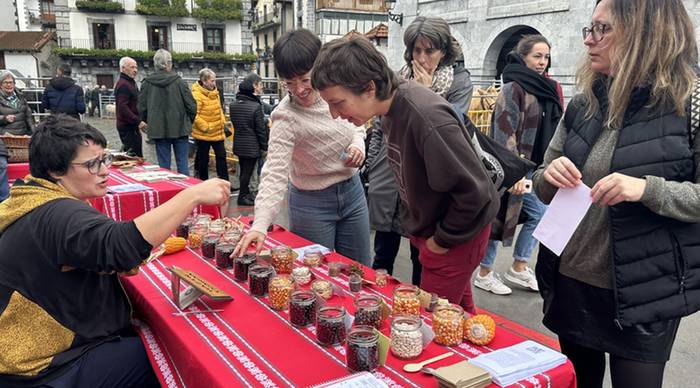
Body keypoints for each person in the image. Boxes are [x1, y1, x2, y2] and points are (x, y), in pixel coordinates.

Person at [533, 1, 700, 387]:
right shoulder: (584, 101)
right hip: (572, 281)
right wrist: (549, 175)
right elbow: (542, 180)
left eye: (602, 30)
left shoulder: (689, 103)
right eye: (588, 30)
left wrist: (646, 189)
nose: (589, 41)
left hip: (645, 291)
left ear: (645, 32)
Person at [0, 114, 230, 387]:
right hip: (43, 365)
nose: (105, 170)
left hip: (29, 347)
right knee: (176, 354)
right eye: (92, 164)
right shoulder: (58, 213)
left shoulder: (32, 196)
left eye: (105, 159)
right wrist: (192, 195)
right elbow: (121, 248)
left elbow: (103, 252)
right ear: (56, 170)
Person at [312, 36, 499, 314]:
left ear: (369, 87)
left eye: (338, 103)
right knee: (459, 315)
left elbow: (476, 192)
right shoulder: (391, 109)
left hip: (455, 237)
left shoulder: (426, 117)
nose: (334, 114)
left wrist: (441, 240)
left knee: (433, 323)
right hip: (438, 232)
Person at [233, 29, 372, 267]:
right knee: (313, 273)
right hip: (311, 202)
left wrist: (358, 143)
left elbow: (357, 123)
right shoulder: (285, 116)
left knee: (359, 270)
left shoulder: (336, 91)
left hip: (352, 192)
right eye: (289, 82)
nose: (298, 90)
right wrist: (260, 224)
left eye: (305, 79)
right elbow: (274, 172)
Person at [368, 16, 475, 285]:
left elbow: (453, 128)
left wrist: (424, 94)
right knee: (383, 249)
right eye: (417, 50)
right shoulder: (398, 78)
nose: (422, 58)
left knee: (422, 256)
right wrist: (371, 163)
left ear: (444, 51)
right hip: (390, 174)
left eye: (430, 50)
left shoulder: (459, 82)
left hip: (425, 180)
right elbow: (381, 124)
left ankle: (415, 311)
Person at [473, 35, 563, 296]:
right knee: (499, 217)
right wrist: (512, 173)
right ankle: (487, 272)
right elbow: (504, 132)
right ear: (523, 56)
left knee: (529, 215)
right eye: (537, 56)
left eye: (546, 57)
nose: (542, 62)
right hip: (512, 167)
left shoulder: (546, 87)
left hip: (536, 166)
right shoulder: (514, 87)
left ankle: (517, 266)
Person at [139, 49, 197, 175]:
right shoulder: (179, 82)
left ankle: (168, 191)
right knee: (182, 163)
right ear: (168, 64)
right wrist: (188, 121)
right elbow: (191, 106)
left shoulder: (147, 83)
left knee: (164, 166)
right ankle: (185, 190)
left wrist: (145, 120)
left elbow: (142, 107)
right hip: (180, 127)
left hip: (158, 129)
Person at [230, 73, 268, 206]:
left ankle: (245, 194)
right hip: (252, 145)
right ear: (254, 86)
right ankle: (243, 197)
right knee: (248, 172)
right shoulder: (255, 106)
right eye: (260, 84)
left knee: (244, 172)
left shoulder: (234, 105)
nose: (262, 87)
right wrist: (264, 147)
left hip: (239, 143)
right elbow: (260, 130)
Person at [0, 70, 34, 202]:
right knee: (2, 165)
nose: (9, 85)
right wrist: (3, 118)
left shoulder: (20, 97)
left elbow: (28, 117)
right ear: (0, 85)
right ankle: (5, 200)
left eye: (11, 82)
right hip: (3, 139)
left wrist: (34, 133)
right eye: (6, 82)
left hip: (22, 138)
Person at [191, 68, 229, 182]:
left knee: (221, 156)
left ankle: (224, 182)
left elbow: (219, 109)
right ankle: (203, 181)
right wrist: (205, 126)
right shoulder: (197, 95)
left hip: (217, 130)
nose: (214, 83)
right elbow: (194, 114)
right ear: (204, 81)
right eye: (212, 81)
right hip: (204, 133)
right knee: (203, 159)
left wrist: (222, 121)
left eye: (214, 81)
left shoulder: (215, 92)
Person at [115, 57, 147, 157]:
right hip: (127, 126)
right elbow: (122, 107)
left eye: (136, 67)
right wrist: (138, 121)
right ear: (123, 68)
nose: (135, 70)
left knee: (134, 154)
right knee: (133, 156)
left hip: (132, 126)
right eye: (132, 67)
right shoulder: (123, 84)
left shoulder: (130, 82)